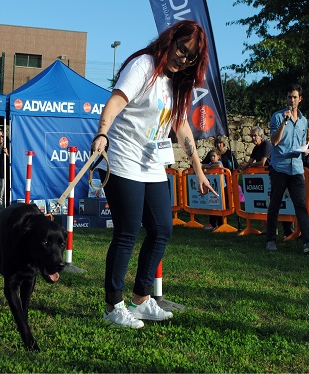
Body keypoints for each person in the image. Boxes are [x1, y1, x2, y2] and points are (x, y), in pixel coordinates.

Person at [91, 20, 216, 329]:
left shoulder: (178, 82)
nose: (182, 59)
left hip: (152, 165)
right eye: (181, 50)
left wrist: (198, 168)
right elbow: (116, 101)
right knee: (128, 230)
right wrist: (102, 134)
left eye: (190, 58)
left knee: (161, 228)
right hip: (122, 157)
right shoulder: (143, 65)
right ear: (170, 40)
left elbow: (181, 126)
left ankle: (142, 299)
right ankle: (113, 306)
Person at [266, 83, 309, 254]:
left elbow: (301, 142)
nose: (292, 100)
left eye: (295, 97)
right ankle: (270, 240)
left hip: (297, 168)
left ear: (300, 99)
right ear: (286, 99)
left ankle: (308, 242)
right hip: (279, 167)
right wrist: (284, 122)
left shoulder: (304, 121)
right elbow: (275, 141)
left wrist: (305, 149)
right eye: (289, 97)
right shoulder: (277, 117)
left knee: (301, 205)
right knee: (275, 204)